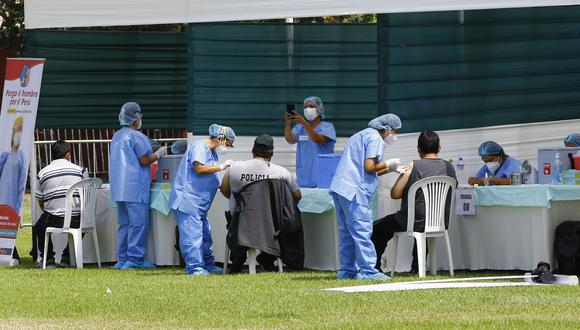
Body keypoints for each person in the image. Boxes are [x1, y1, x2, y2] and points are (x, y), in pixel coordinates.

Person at [329, 114, 402, 280]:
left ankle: (348, 270)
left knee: (347, 232)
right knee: (362, 231)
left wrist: (389, 169)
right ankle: (369, 270)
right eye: (394, 132)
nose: (394, 137)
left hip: (341, 188)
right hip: (355, 190)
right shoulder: (375, 138)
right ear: (386, 129)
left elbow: (367, 168)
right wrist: (387, 163)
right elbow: (370, 166)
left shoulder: (360, 135)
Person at [371, 131, 456, 274]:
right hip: (439, 220)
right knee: (422, 224)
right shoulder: (449, 167)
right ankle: (417, 268)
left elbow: (395, 194)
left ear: (418, 149)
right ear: (439, 148)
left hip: (412, 220)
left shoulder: (412, 166)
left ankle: (374, 267)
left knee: (378, 227)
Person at [220, 134, 302, 273]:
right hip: (271, 224)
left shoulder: (234, 168)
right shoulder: (282, 172)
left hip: (240, 223)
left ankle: (238, 256)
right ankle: (268, 257)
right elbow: (296, 197)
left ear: (253, 149)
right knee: (291, 219)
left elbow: (224, 190)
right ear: (271, 154)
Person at [169, 124, 235, 276]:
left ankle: (207, 264)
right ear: (221, 138)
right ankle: (194, 268)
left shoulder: (212, 153)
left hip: (199, 204)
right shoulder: (199, 147)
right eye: (228, 144)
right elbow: (199, 168)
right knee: (192, 237)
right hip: (188, 201)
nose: (228, 147)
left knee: (205, 234)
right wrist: (222, 167)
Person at [110, 102, 168, 270]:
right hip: (135, 187)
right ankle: (134, 260)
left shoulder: (117, 136)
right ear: (136, 118)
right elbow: (145, 160)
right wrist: (159, 153)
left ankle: (122, 259)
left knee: (124, 224)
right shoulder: (137, 136)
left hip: (119, 187)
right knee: (138, 224)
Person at [34, 141, 88, 268]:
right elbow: (87, 193)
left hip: (54, 219)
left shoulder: (42, 173)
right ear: (68, 155)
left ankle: (48, 259)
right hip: (77, 220)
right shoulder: (80, 170)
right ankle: (66, 257)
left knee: (39, 226)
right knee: (84, 222)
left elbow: (41, 201)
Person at [284, 96, 336, 187]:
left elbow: (318, 139)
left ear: (319, 109)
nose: (308, 109)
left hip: (321, 178)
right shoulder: (299, 128)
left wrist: (304, 123)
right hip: (304, 178)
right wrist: (288, 123)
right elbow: (290, 139)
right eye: (305, 107)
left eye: (311, 106)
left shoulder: (327, 127)